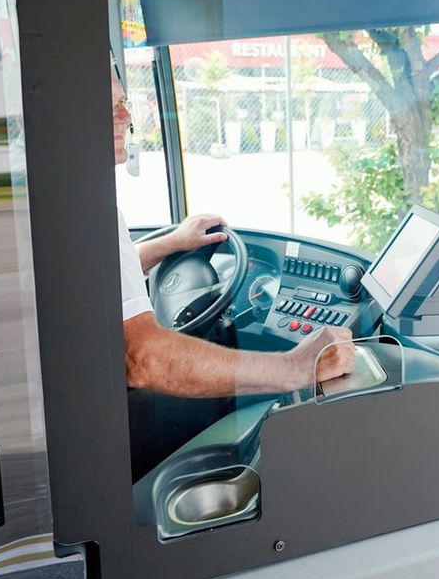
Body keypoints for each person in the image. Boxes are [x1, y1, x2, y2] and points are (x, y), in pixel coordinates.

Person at [111, 67, 354, 397]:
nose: (126, 116)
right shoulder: (89, 213)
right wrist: (298, 366)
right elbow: (145, 359)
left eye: (123, 102)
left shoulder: (73, 211)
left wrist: (171, 244)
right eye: (108, 106)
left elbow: (108, 281)